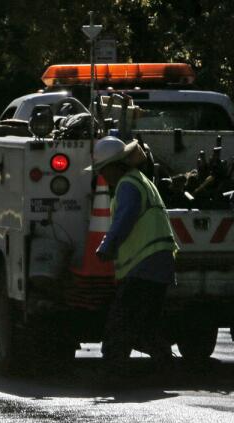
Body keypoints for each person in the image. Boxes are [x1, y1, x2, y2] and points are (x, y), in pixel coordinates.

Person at [90, 135, 179, 376]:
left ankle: (112, 372)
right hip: (158, 264)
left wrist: (106, 247)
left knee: (120, 322)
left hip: (144, 264)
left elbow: (124, 219)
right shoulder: (140, 181)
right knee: (145, 325)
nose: (102, 176)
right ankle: (167, 367)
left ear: (114, 166)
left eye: (102, 170)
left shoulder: (127, 185)